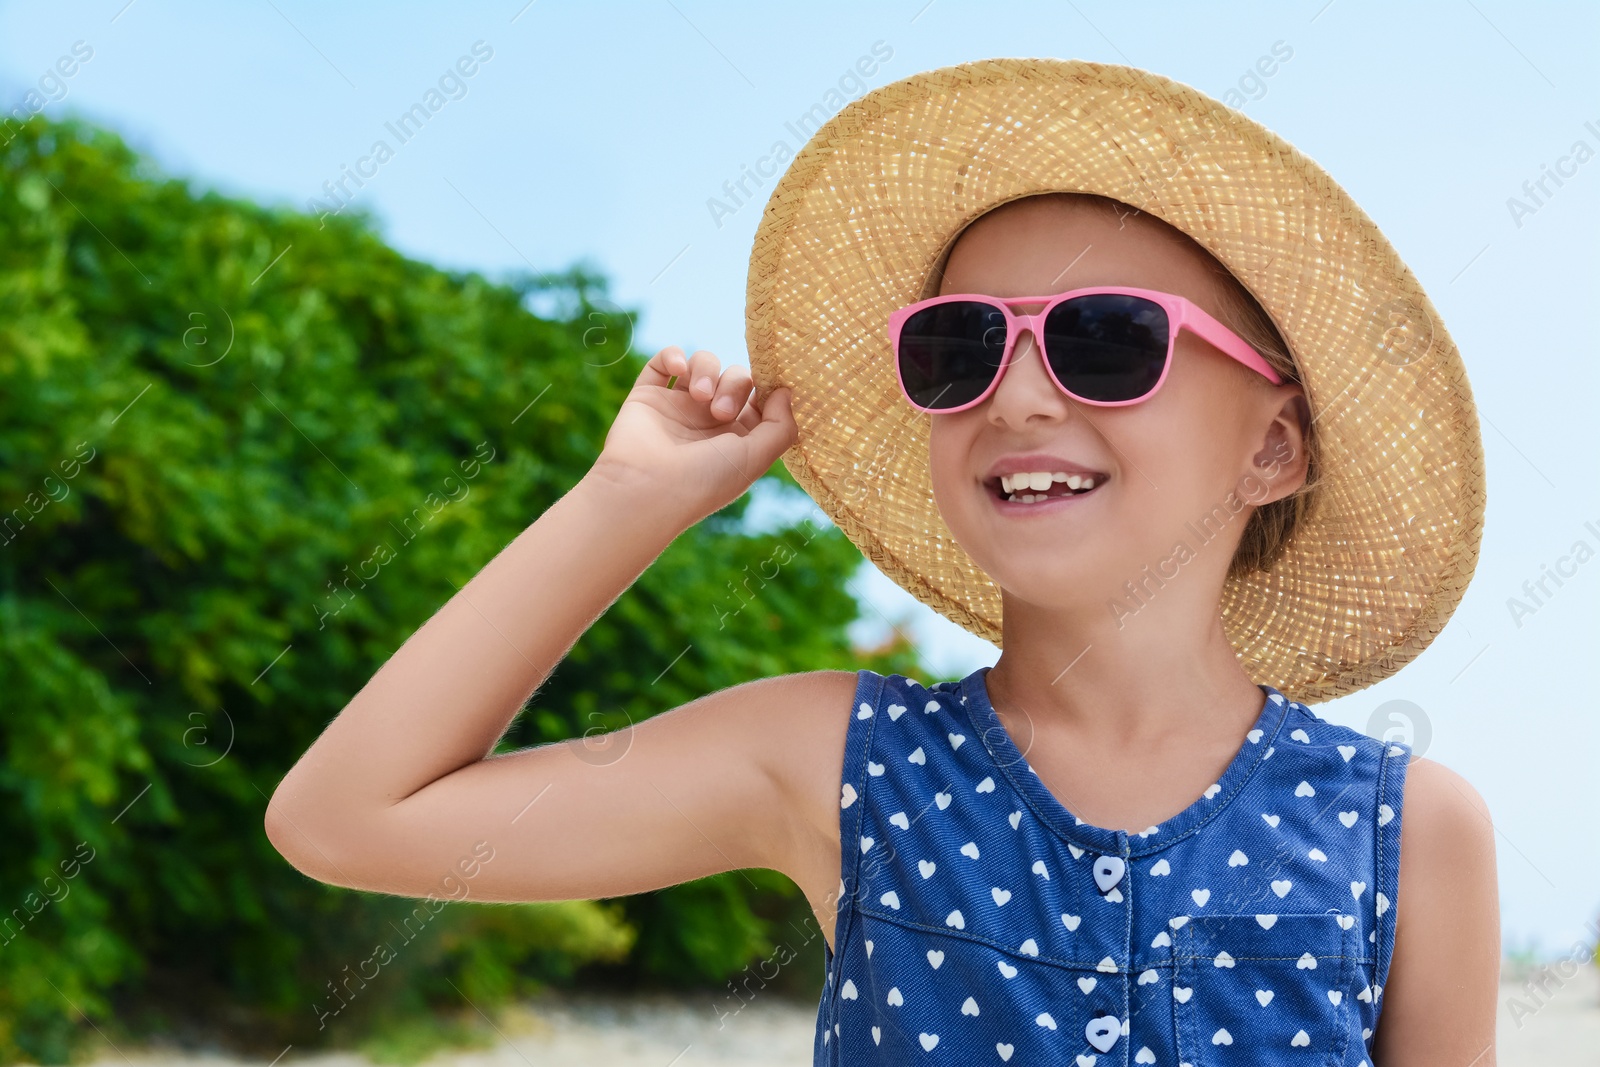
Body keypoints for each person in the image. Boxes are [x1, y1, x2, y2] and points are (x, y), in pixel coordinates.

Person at [266, 58, 1498, 1065]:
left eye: (1107, 339)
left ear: (1272, 446)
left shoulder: (1405, 829)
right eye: (961, 346)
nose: (1016, 394)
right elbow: (349, 817)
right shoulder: (837, 760)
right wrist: (628, 502)